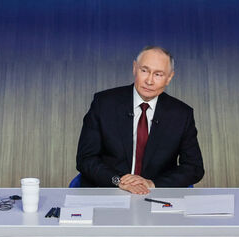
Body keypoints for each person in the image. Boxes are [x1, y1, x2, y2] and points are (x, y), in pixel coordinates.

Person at [75, 46, 204, 194]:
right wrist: (118, 181)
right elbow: (86, 159)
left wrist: (152, 184)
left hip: (154, 194)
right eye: (144, 71)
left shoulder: (181, 114)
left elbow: (194, 168)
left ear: (169, 78)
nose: (149, 81)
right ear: (134, 68)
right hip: (109, 190)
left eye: (158, 74)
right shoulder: (104, 103)